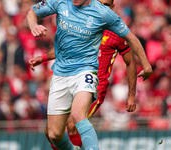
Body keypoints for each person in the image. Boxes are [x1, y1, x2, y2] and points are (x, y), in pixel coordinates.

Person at [26, 0, 152, 149]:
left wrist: (133, 90)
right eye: (102, 3)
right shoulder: (62, 4)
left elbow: (131, 58)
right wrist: (43, 55)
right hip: (62, 73)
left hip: (90, 77)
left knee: (76, 119)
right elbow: (68, 46)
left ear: (112, 7)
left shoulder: (109, 22)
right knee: (52, 133)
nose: (104, 7)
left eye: (107, 5)